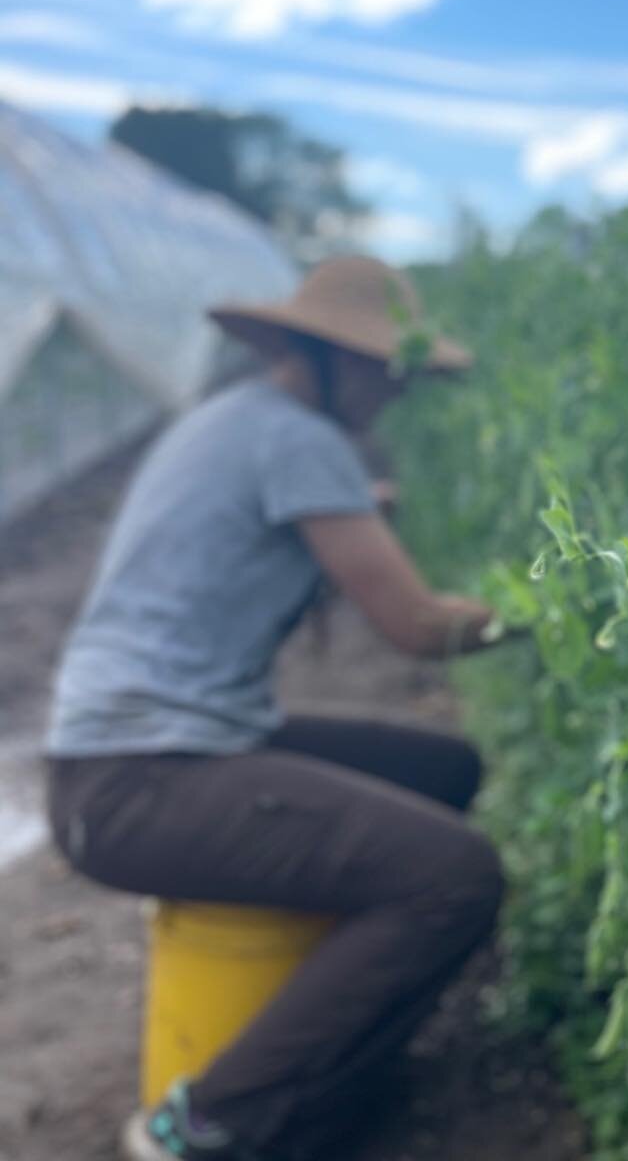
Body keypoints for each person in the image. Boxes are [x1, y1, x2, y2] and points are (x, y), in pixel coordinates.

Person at [45, 255, 504, 1161]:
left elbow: (300, 505)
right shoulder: (301, 441)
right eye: (384, 367)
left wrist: (368, 502)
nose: (394, 390)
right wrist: (559, 610)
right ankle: (205, 1123)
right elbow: (415, 627)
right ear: (326, 358)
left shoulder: (239, 419)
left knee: (447, 771)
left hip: (138, 756)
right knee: (455, 878)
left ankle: (328, 1031)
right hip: (136, 782)